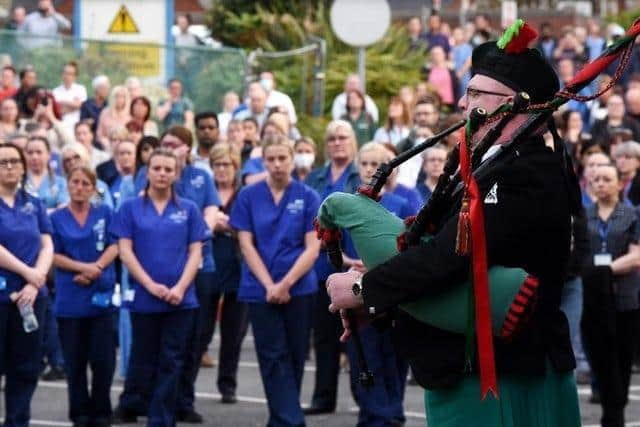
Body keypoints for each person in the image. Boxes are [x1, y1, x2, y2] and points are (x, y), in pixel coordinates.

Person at [326, 22, 582, 427]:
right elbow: (438, 251)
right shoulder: (492, 167)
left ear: (512, 104)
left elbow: (449, 258)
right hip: (476, 371)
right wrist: (380, 299)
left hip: (505, 376)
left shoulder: (527, 172)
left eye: (476, 93)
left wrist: (364, 289)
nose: (463, 103)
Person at [122, 126, 220, 423]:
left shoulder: (189, 209)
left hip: (181, 299)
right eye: (157, 168)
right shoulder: (130, 209)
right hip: (144, 298)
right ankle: (142, 406)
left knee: (173, 360)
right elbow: (126, 251)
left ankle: (161, 419)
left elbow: (196, 251)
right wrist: (150, 285)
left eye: (168, 169)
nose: (162, 173)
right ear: (147, 171)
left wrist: (179, 287)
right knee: (145, 360)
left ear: (177, 173)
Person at [230, 135, 321, 427]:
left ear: (293, 160)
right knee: (271, 356)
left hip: (299, 287)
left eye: (283, 158)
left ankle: (281, 417)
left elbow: (312, 247)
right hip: (259, 289)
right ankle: (291, 420)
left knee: (295, 356)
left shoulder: (308, 196)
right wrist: (270, 285)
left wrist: (285, 284)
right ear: (263, 161)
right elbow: (246, 244)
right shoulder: (248, 196)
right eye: (271, 159)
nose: (277, 164)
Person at [51, 166, 118, 427]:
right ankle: (79, 412)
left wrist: (96, 268)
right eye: (75, 182)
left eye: (85, 183)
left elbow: (116, 245)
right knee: (75, 362)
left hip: (100, 294)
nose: (79, 187)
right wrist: (83, 268)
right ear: (68, 185)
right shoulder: (56, 218)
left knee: (103, 361)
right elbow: (53, 254)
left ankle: (102, 411)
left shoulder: (105, 213)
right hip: (70, 297)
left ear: (93, 188)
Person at [304, 120, 360, 415]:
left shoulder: (360, 175)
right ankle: (323, 397)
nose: (338, 142)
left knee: (357, 339)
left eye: (343, 137)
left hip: (355, 269)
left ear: (352, 141)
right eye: (333, 138)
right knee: (324, 338)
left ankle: (364, 398)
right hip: (321, 271)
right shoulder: (314, 177)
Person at [0, 142, 54, 427]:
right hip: (2, 295)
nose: (9, 167)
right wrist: (26, 272)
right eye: (3, 162)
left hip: (32, 298)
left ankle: (17, 422)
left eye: (14, 161)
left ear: (23, 166)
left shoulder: (34, 203)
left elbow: (47, 243)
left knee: (26, 367)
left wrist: (36, 281)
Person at [582, 164, 640, 427]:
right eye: (597, 180)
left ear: (619, 184)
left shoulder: (632, 215)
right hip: (592, 302)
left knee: (623, 362)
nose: (601, 183)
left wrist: (602, 269)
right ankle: (611, 413)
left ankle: (614, 412)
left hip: (625, 300)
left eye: (607, 179)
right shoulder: (584, 216)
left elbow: (636, 256)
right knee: (601, 363)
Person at [197, 143, 248, 402]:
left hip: (237, 268)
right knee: (201, 328)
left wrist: (229, 227)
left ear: (235, 167)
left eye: (226, 164)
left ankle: (228, 385)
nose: (221, 170)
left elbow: (251, 228)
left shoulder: (244, 194)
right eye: (217, 165)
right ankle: (186, 386)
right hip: (208, 265)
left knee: (233, 331)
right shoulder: (206, 194)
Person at [60, 142, 114, 209]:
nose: (72, 162)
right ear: (63, 165)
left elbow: (109, 209)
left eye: (76, 157)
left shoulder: (99, 185)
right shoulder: (60, 185)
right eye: (67, 160)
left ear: (85, 158)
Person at [25, 136, 68, 211]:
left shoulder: (60, 182)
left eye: (39, 152)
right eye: (30, 153)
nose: (34, 157)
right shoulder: (19, 182)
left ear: (49, 155)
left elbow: (62, 210)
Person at [52, 62, 88, 134]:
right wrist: (72, 105)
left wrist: (62, 102)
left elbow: (80, 105)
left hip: (75, 128)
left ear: (75, 76)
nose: (67, 76)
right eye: (65, 73)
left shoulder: (80, 89)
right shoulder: (55, 91)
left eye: (70, 74)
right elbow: (57, 111)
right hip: (59, 127)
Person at [96, 86, 131, 150]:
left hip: (126, 147)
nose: (119, 99)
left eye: (122, 97)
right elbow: (99, 133)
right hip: (107, 146)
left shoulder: (130, 114)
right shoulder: (105, 112)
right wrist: (104, 141)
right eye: (117, 96)